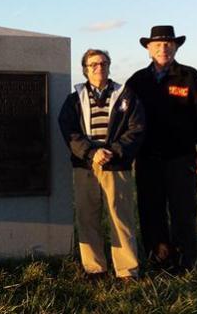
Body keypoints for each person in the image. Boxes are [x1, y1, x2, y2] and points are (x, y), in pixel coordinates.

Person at [126, 25, 197, 273]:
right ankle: (158, 259)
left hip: (182, 157)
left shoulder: (190, 77)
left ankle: (185, 262)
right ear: (148, 49)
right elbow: (123, 120)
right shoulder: (137, 81)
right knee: (150, 210)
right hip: (147, 159)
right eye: (157, 45)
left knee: (183, 211)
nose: (163, 48)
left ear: (176, 47)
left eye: (168, 44)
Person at [58, 49, 145, 282]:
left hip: (117, 167)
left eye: (104, 63)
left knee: (121, 218)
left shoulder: (126, 95)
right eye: (93, 64)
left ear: (109, 65)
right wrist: (91, 152)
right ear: (85, 69)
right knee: (88, 217)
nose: (99, 67)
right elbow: (68, 130)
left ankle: (127, 270)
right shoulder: (74, 98)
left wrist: (113, 152)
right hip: (85, 167)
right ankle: (95, 268)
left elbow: (136, 129)